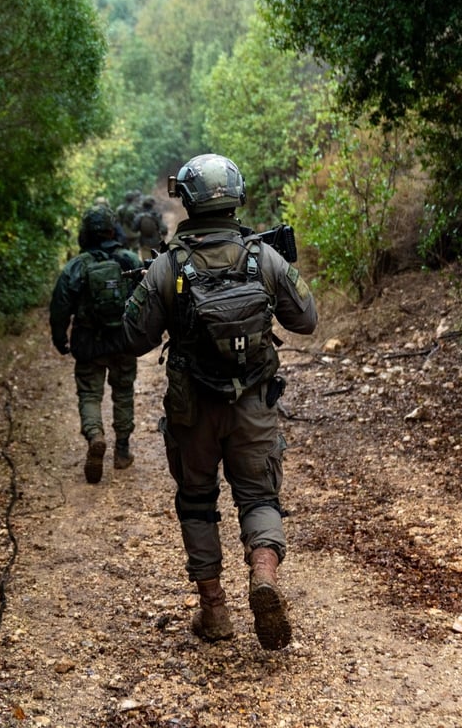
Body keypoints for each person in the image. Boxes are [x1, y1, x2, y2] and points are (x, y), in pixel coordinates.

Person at [122, 153, 318, 650]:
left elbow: (133, 337)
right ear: (236, 195)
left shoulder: (169, 266)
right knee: (258, 497)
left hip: (192, 411)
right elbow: (306, 319)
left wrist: (144, 291)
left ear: (186, 200)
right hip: (254, 404)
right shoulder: (263, 257)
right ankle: (264, 573)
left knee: (196, 500)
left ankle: (214, 611)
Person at [50, 203, 143, 484]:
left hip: (88, 342)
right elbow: (146, 300)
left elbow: (59, 307)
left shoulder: (76, 266)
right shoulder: (129, 260)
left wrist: (59, 338)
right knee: (123, 391)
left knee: (90, 395)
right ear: (112, 229)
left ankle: (95, 435)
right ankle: (123, 451)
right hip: (123, 340)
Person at [134, 195, 168, 261]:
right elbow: (164, 230)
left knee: (147, 265)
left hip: (144, 244)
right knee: (157, 263)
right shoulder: (156, 215)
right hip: (156, 244)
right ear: (152, 205)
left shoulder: (139, 216)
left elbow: (134, 229)